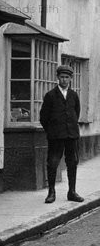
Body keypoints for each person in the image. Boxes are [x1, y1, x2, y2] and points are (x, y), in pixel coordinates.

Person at [40, 64, 84, 204]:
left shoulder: (73, 95)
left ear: (71, 78)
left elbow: (76, 113)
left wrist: (70, 127)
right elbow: (43, 118)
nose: (64, 80)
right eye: (62, 77)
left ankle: (72, 192)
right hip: (56, 136)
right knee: (52, 163)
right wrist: (52, 130)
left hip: (71, 135)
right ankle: (51, 192)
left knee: (73, 163)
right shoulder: (50, 95)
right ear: (57, 78)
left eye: (67, 77)